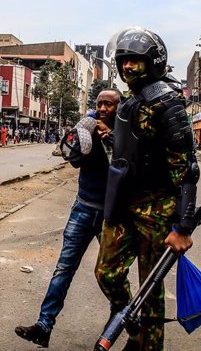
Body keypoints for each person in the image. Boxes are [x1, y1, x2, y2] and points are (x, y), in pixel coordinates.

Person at [95, 27, 198, 350]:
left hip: (156, 210)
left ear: (152, 62)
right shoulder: (130, 101)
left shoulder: (167, 102)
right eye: (124, 61)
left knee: (150, 291)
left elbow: (187, 167)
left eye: (135, 62)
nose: (127, 67)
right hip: (123, 206)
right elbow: (131, 152)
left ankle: (147, 343)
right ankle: (132, 320)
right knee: (106, 273)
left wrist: (183, 225)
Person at [15, 89, 122, 348]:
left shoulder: (125, 133)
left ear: (119, 107)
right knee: (64, 267)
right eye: (99, 103)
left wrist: (111, 137)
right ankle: (44, 325)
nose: (103, 108)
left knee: (112, 275)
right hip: (83, 208)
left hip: (112, 214)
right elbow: (71, 158)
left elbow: (130, 162)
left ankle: (121, 322)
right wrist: (81, 135)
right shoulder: (86, 125)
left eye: (109, 103)